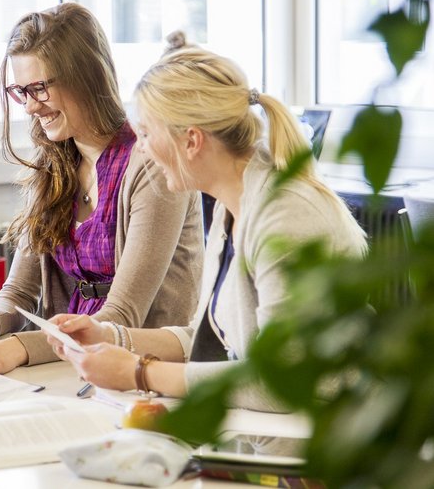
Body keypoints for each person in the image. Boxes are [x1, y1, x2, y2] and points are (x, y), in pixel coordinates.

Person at [47, 37, 368, 412]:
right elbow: (212, 339)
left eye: (147, 134)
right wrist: (112, 336)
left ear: (192, 141)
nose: (142, 148)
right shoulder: (232, 205)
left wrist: (140, 372)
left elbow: (284, 380)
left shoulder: (284, 216)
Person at [0, 3, 204, 374]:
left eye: (39, 88)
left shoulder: (151, 163)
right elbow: (19, 291)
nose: (29, 107)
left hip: (140, 369)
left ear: (85, 77)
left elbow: (121, 316)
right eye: (20, 91)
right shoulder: (53, 162)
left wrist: (18, 347)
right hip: (64, 361)